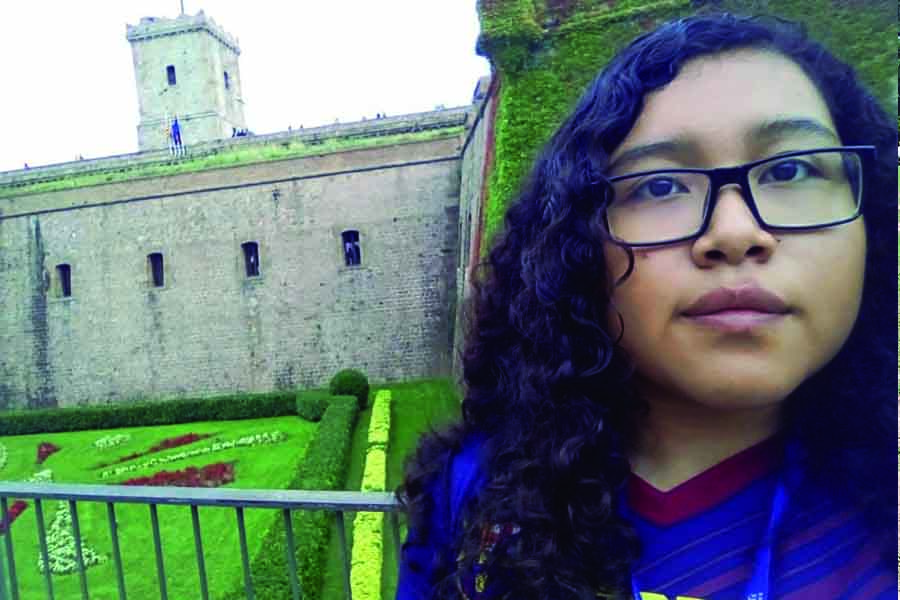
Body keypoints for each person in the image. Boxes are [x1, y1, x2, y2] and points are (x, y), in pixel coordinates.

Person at [395, 12, 896, 600]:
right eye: (660, 186)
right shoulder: (474, 495)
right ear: (581, 246)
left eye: (790, 169)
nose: (735, 232)